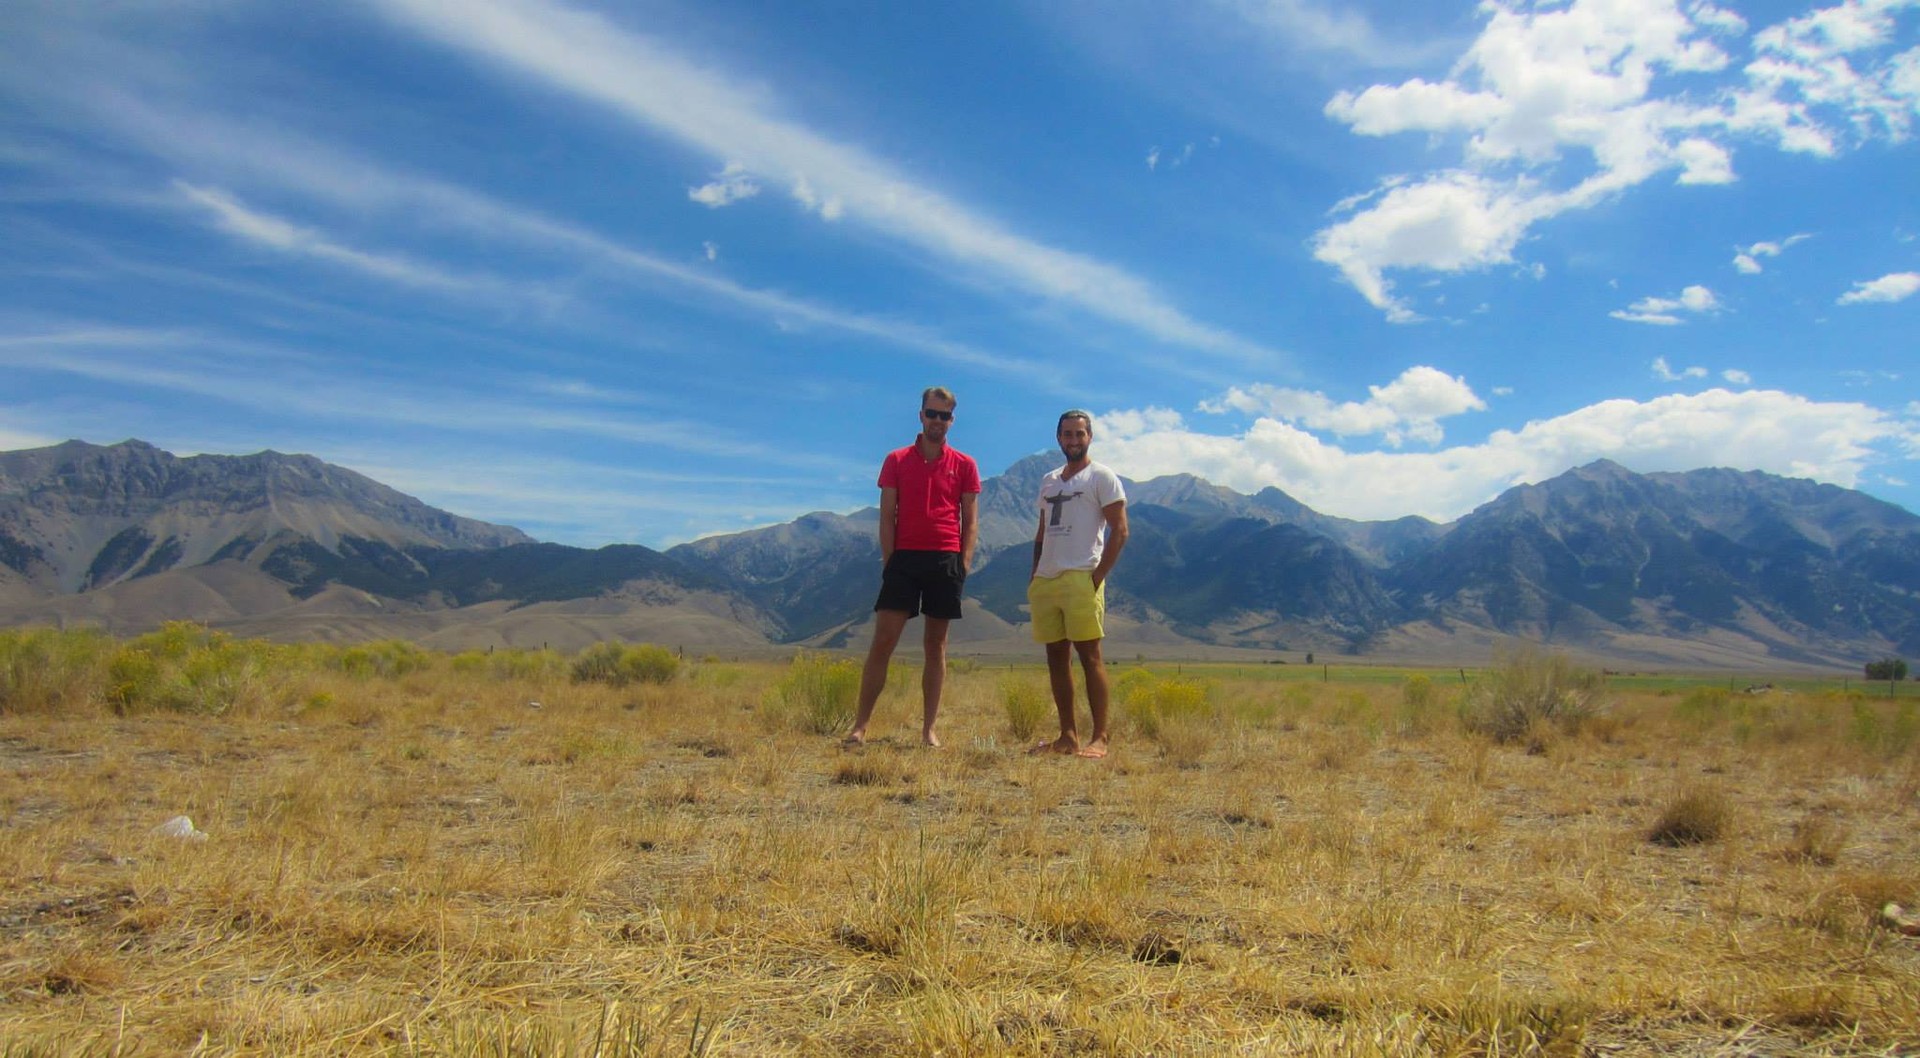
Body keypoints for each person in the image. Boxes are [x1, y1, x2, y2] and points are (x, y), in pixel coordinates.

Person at [844, 386, 981, 747]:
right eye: (932, 413)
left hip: (945, 557)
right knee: (883, 641)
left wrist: (963, 563)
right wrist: (890, 561)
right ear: (920, 415)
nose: (938, 421)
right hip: (904, 558)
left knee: (936, 645)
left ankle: (928, 730)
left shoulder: (965, 464)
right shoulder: (897, 459)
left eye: (945, 415)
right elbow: (887, 514)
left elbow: (971, 519)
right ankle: (860, 726)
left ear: (952, 420)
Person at [1027, 409, 1128, 758]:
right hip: (1047, 578)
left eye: (1079, 434)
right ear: (1058, 438)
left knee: (1090, 656)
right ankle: (1067, 736)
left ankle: (1100, 737)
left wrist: (1097, 577)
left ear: (1089, 437)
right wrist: (1034, 571)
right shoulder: (1049, 480)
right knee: (1056, 657)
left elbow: (1120, 530)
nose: (1073, 440)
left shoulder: (1102, 477)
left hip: (1081, 575)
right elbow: (1041, 531)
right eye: (1067, 434)